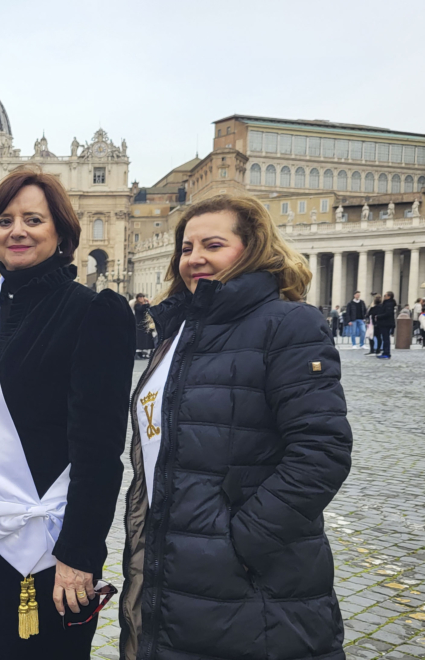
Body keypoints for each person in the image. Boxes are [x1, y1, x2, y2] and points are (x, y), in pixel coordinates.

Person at [119, 195, 351, 660]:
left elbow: (322, 451)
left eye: (213, 244)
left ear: (252, 248)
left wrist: (240, 543)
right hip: (170, 565)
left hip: (247, 578)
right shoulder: (177, 334)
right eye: (186, 248)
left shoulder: (288, 324)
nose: (195, 257)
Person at [0, 167, 134, 658]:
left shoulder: (96, 311)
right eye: (5, 220)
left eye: (32, 219)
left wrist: (79, 554)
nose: (17, 231)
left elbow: (100, 449)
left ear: (61, 231)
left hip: (50, 542)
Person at [374, 291, 397, 359]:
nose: (384, 297)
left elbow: (388, 313)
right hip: (385, 323)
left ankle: (386, 353)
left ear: (389, 296)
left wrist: (378, 316)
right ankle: (385, 352)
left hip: (386, 323)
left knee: (386, 339)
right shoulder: (388, 303)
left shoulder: (389, 304)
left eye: (385, 295)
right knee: (385, 339)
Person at [133, 293, 154, 358]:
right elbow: (142, 308)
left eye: (142, 297)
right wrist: (148, 302)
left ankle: (148, 351)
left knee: (148, 338)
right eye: (139, 297)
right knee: (141, 338)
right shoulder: (137, 305)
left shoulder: (145, 305)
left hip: (146, 324)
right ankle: (140, 351)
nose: (141, 298)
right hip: (140, 324)